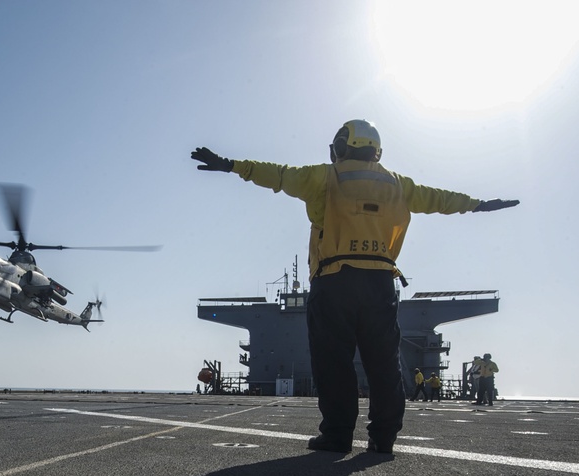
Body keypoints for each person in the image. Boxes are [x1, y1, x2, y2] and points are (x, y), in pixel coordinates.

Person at [192, 120, 518, 454]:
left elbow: (276, 175)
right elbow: (440, 199)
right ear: (376, 151)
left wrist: (231, 166)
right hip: (380, 283)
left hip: (334, 280)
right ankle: (384, 437)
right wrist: (477, 204)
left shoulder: (326, 176)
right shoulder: (397, 184)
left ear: (340, 148)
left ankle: (336, 436)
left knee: (333, 362)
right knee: (384, 364)